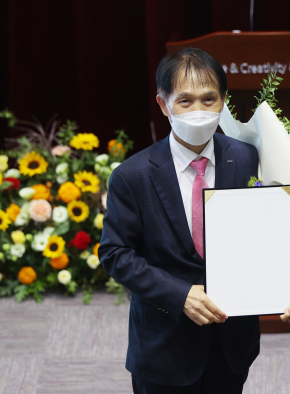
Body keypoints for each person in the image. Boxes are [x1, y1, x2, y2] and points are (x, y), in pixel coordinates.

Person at [99, 48, 260, 394]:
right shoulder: (132, 175)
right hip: (163, 345)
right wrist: (179, 294)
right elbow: (115, 254)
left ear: (224, 101)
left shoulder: (246, 158)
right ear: (163, 104)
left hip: (231, 341)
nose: (199, 111)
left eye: (209, 99)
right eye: (185, 101)